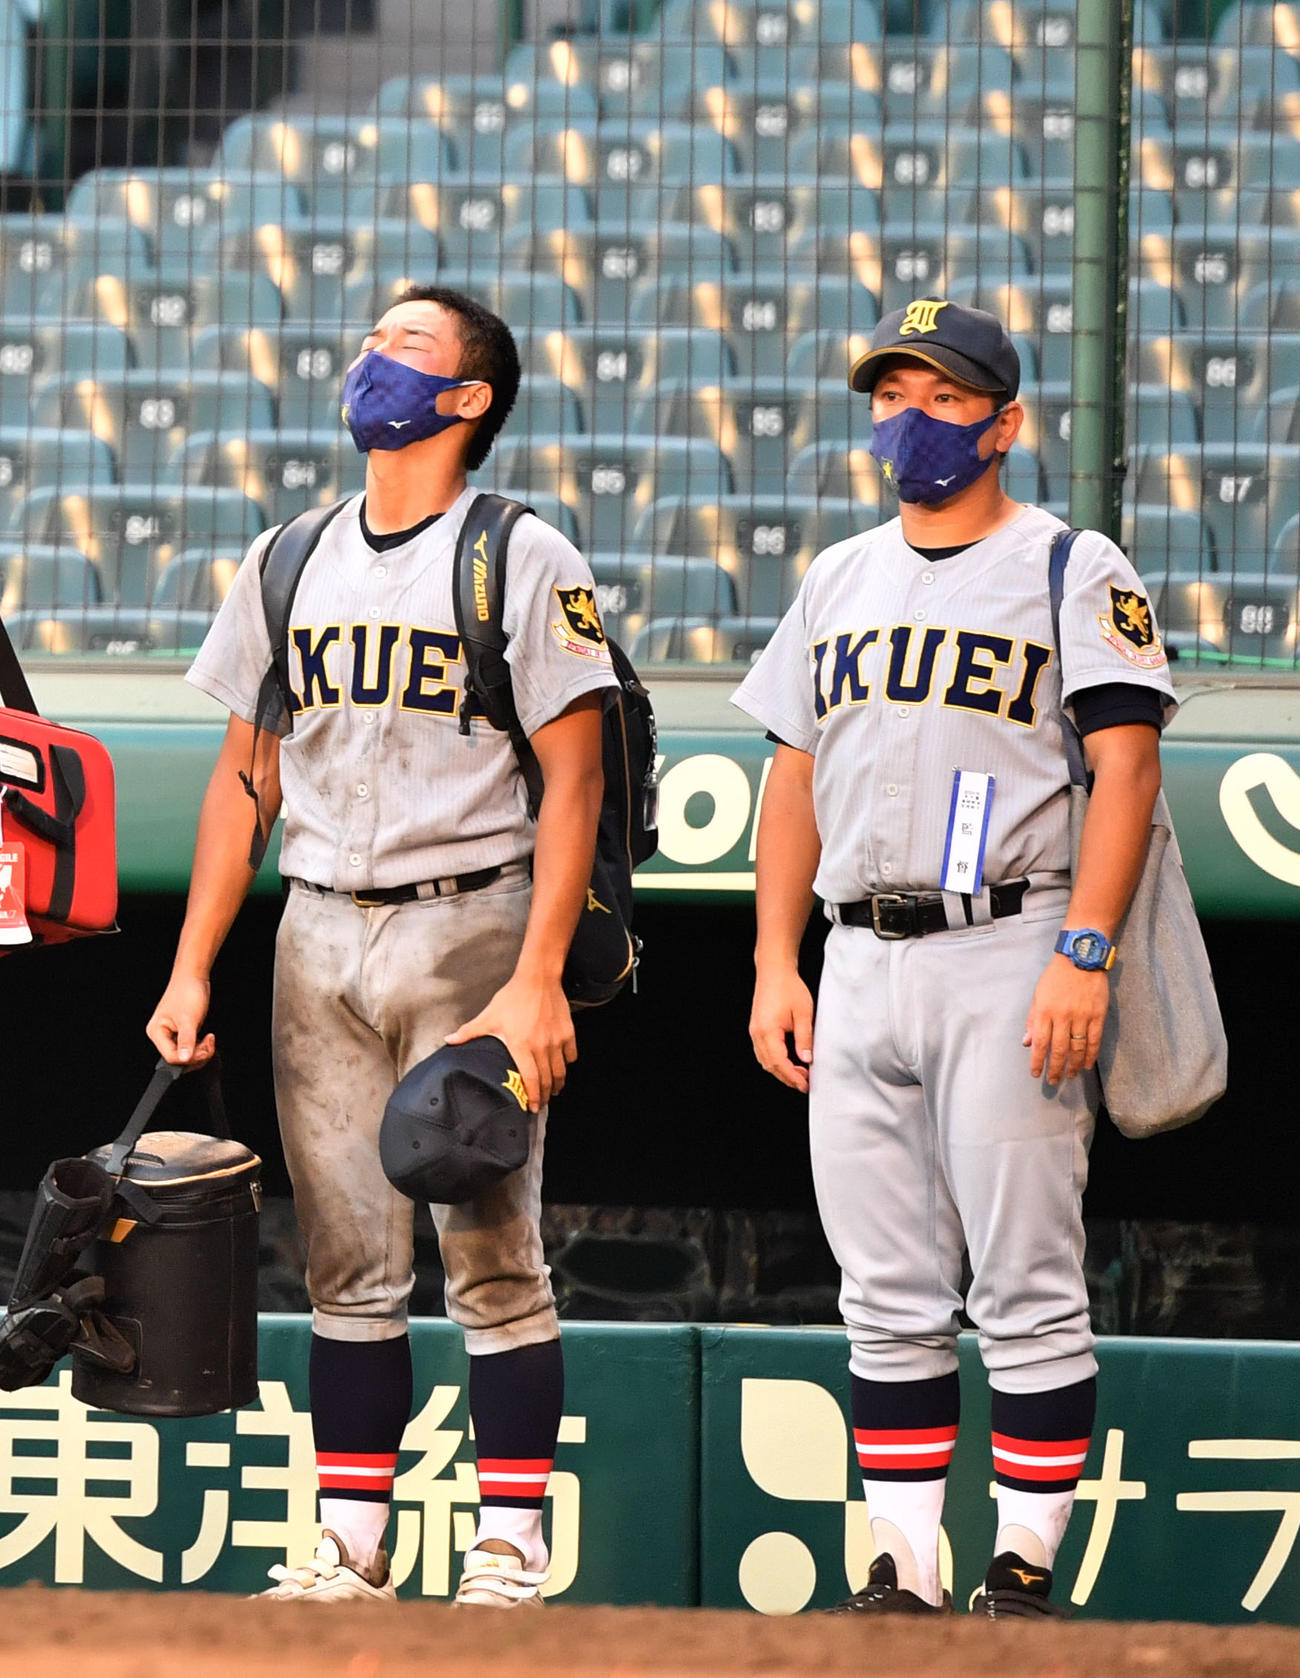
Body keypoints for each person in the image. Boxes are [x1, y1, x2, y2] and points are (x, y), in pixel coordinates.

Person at [147, 284, 617, 1607]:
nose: (373, 360)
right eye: (373, 340)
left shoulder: (522, 552)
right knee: (348, 1263)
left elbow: (574, 781)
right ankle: (351, 1544)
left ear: (467, 399)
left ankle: (507, 1543)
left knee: (492, 1251)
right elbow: (247, 781)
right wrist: (191, 964)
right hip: (318, 928)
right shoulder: (289, 554)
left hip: (471, 917)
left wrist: (535, 978)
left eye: (407, 346)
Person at [734, 299, 1174, 1618]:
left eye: (938, 393)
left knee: (1027, 1277)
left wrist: (1083, 952)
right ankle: (904, 1568)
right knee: (886, 1285)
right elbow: (793, 776)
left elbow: (1129, 764)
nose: (907, 418)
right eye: (889, 392)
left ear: (1006, 421)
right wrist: (773, 958)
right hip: (859, 950)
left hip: (1011, 938)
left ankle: (1024, 1570)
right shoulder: (840, 576)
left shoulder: (1069, 565)